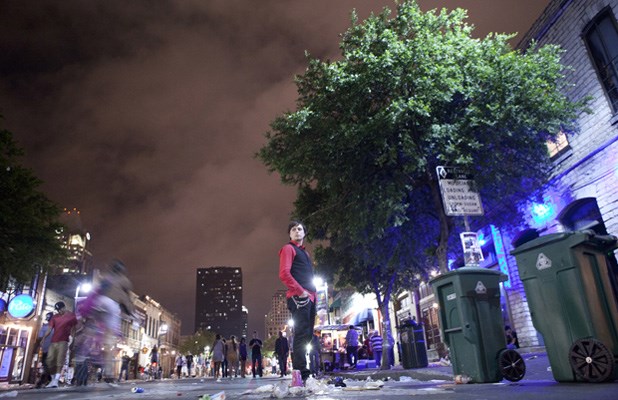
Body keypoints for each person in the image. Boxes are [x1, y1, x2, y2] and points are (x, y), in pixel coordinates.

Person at [278, 221, 316, 383]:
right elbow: (284, 273)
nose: (297, 231)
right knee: (301, 335)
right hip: (299, 297)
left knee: (307, 335)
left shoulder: (305, 254)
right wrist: (301, 292)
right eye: (293, 229)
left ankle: (302, 372)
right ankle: (302, 374)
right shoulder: (288, 249)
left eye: (300, 229)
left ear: (304, 233)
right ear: (290, 234)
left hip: (311, 298)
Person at [40, 301, 78, 388]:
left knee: (59, 360)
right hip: (54, 341)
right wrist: (44, 338)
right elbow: (49, 329)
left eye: (60, 309)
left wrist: (73, 340)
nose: (59, 311)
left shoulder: (71, 316)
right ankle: (53, 379)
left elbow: (74, 328)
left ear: (64, 308)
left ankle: (56, 380)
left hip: (64, 341)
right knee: (49, 360)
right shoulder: (55, 317)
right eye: (57, 310)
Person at [34, 312, 54, 388]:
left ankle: (42, 381)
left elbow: (39, 337)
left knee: (46, 365)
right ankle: (48, 380)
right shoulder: (57, 328)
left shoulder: (44, 327)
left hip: (46, 350)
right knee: (48, 366)